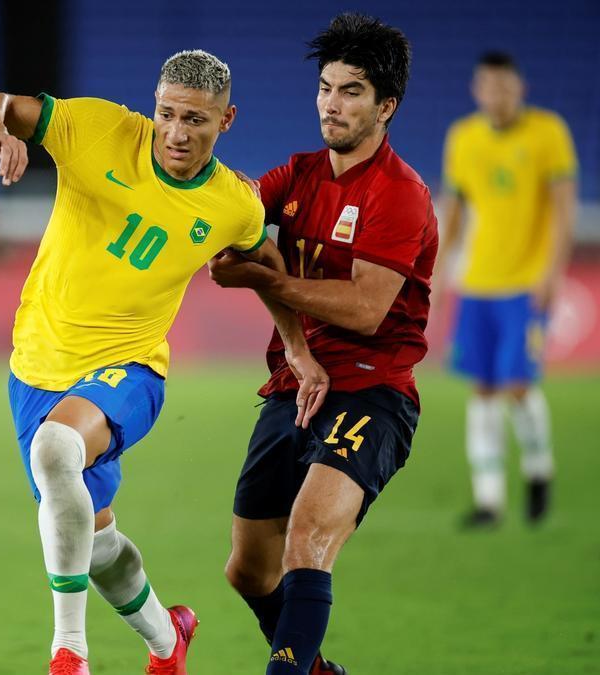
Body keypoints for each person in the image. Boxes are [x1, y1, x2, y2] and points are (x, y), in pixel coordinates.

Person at [0, 50, 328, 675]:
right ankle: (168, 639)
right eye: (168, 114)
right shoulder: (96, 128)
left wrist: (297, 346)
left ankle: (68, 652)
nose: (178, 132)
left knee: (55, 452)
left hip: (131, 370)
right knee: (95, 541)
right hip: (36, 366)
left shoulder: (232, 203)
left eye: (197, 120)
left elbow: (264, 263)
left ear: (226, 120)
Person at [208, 14, 438, 675]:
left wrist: (265, 273)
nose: (332, 105)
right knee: (248, 569)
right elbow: (235, 233)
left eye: (352, 91)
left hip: (374, 388)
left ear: (385, 106)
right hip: (293, 386)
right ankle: (313, 669)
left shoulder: (399, 195)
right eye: (326, 88)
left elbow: (367, 309)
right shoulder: (299, 175)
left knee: (306, 541)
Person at [434, 51, 578, 528]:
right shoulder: (464, 137)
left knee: (518, 385)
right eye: (488, 87)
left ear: (521, 89)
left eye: (505, 87)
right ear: (478, 91)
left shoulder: (548, 133)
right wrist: (437, 271)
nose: (497, 96)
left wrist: (552, 273)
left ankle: (538, 469)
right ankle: (489, 500)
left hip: (525, 282)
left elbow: (562, 209)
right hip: (477, 282)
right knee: (483, 388)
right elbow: (453, 210)